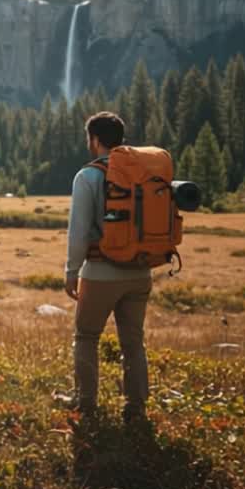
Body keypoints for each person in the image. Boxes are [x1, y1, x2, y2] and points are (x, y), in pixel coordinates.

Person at [65, 111, 152, 422]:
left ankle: (86, 403)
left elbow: (78, 233)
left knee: (87, 336)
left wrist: (71, 272)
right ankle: (136, 408)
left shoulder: (87, 176)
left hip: (101, 272)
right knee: (133, 341)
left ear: (95, 139)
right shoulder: (143, 171)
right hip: (141, 271)